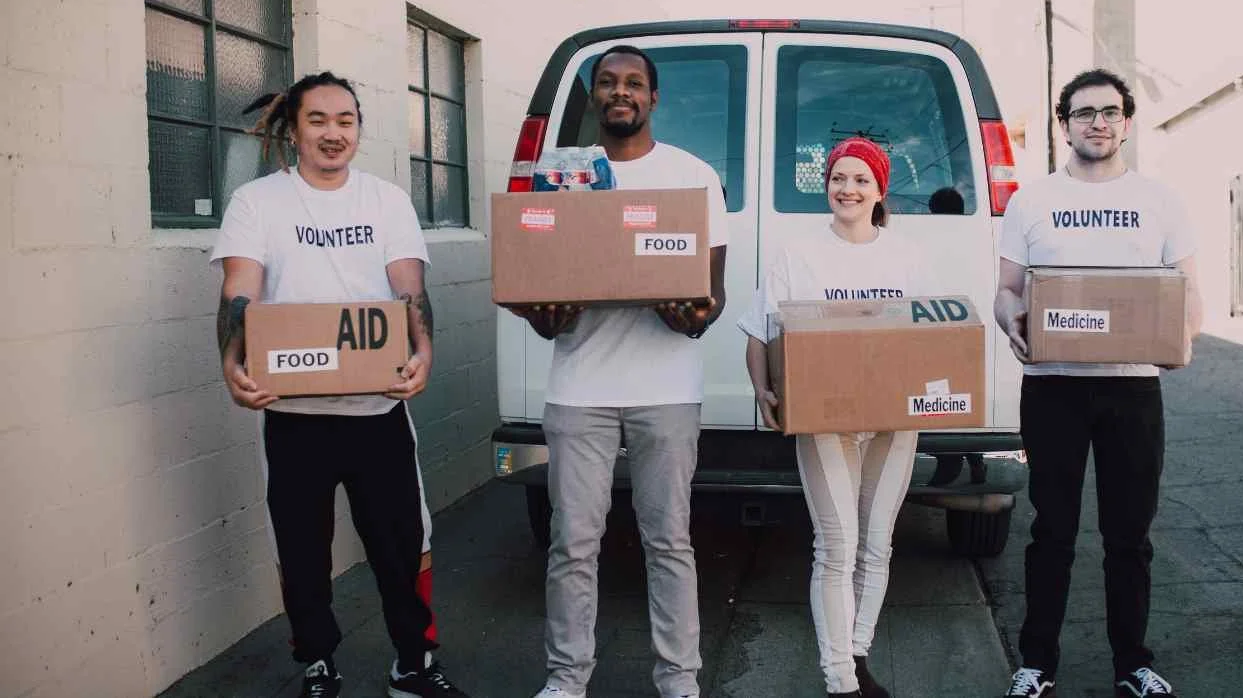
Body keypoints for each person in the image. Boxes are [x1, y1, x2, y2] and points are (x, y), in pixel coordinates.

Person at [212, 72, 469, 698]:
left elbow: (409, 289)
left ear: (358, 128)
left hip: (377, 411)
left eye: (346, 120)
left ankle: (413, 664)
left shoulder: (384, 200)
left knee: (403, 545)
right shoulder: (258, 202)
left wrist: (425, 350)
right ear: (294, 129)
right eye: (319, 120)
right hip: (293, 413)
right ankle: (318, 665)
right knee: (302, 552)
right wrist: (231, 361)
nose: (334, 133)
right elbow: (239, 290)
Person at [515, 45, 728, 698]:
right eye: (607, 82)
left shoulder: (691, 177)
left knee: (669, 542)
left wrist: (684, 310)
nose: (620, 92)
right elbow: (539, 300)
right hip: (579, 389)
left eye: (633, 83)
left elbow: (709, 300)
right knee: (573, 545)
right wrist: (549, 311)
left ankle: (679, 681)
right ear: (595, 98)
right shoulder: (560, 177)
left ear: (653, 98)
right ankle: (566, 681)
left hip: (665, 391)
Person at [993, 69, 1202, 698]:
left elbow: (1190, 298)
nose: (1098, 123)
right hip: (1053, 387)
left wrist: (1181, 341)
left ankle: (1132, 664)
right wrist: (1012, 323)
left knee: (1129, 535)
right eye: (1084, 113)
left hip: (1133, 389)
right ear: (1065, 124)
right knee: (1051, 530)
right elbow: (1006, 290)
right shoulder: (1033, 200)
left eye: (1110, 112)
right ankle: (1036, 664)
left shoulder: (1160, 201)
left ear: (1127, 122)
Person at [739, 137, 933, 698]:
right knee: (837, 546)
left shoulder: (907, 257)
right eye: (838, 178)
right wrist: (762, 389)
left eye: (860, 180)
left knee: (877, 545)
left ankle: (859, 653)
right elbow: (760, 334)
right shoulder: (798, 255)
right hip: (826, 421)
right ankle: (841, 682)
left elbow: (934, 338)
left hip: (893, 421)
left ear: (879, 191)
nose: (847, 188)